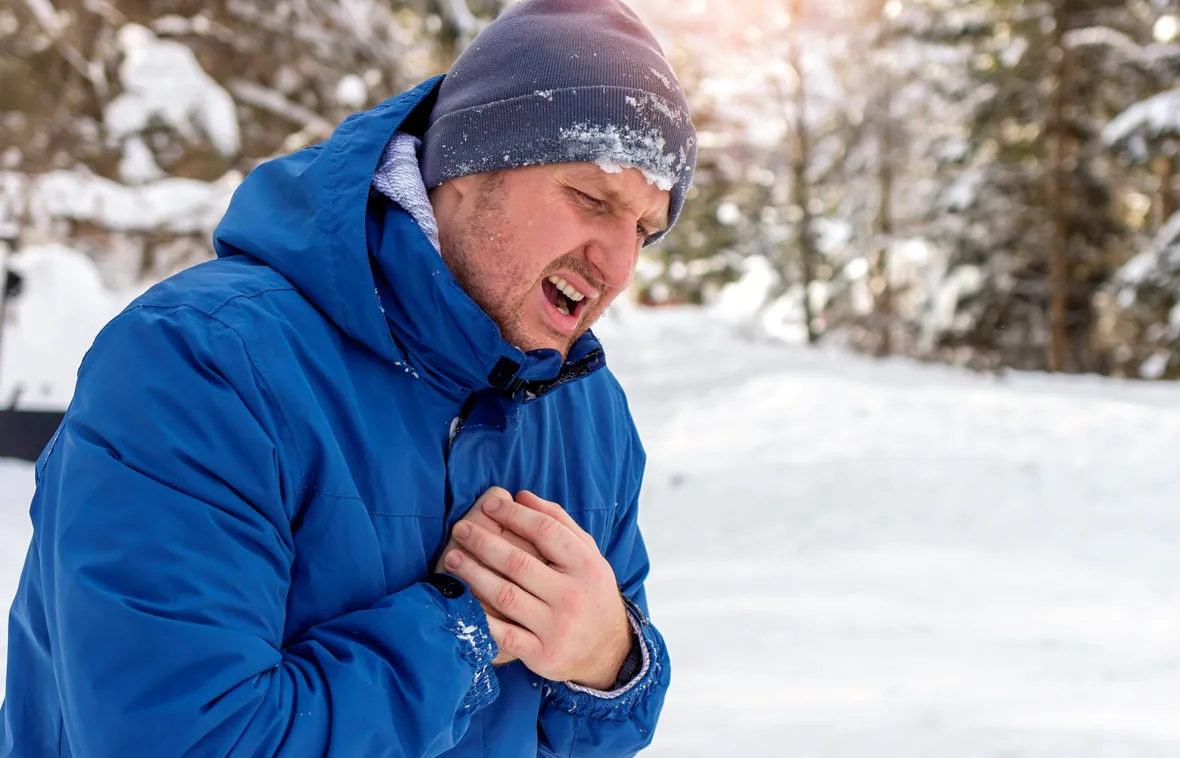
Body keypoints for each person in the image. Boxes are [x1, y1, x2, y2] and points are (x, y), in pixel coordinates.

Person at [0, 0, 696, 754]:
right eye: (591, 200)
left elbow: (584, 736)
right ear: (464, 167)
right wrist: (458, 635)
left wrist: (610, 663)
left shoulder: (586, 410)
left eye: (643, 233)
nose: (618, 266)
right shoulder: (201, 365)